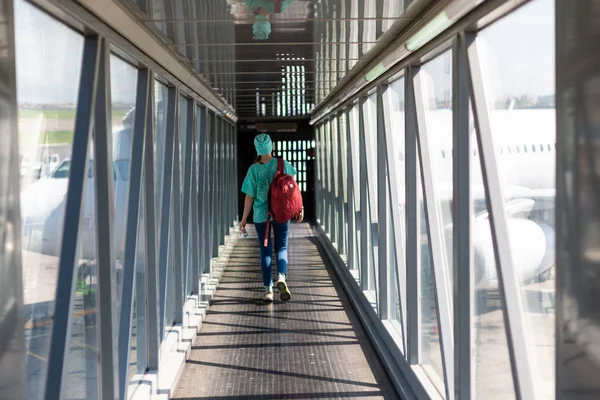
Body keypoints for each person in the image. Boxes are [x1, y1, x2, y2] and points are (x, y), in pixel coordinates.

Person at [240, 133, 304, 302]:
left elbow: (249, 196)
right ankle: (281, 277)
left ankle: (268, 290)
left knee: (265, 251)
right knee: (282, 248)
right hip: (282, 214)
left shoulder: (254, 169)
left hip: (262, 217)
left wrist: (244, 219)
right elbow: (293, 189)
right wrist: (300, 208)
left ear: (257, 149)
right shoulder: (282, 164)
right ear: (270, 147)